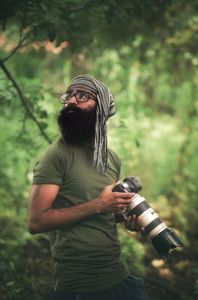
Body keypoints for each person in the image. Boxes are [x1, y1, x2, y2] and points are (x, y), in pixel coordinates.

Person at [27, 74, 150, 300]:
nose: (71, 101)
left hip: (117, 274)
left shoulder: (110, 158)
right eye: (69, 96)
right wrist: (98, 205)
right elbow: (35, 222)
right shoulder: (56, 156)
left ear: (101, 108)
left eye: (82, 95)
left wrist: (124, 218)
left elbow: (104, 212)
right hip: (80, 285)